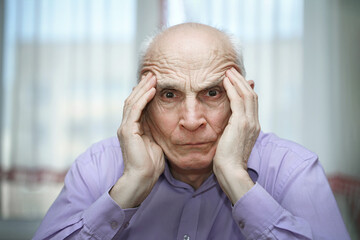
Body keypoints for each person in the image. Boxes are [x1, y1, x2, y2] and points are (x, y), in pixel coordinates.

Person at [33, 23, 349, 240]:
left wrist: (237, 180)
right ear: (140, 103)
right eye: (169, 95)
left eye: (212, 93)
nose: (192, 119)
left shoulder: (294, 169)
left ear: (244, 99)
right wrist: (129, 187)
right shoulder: (97, 167)